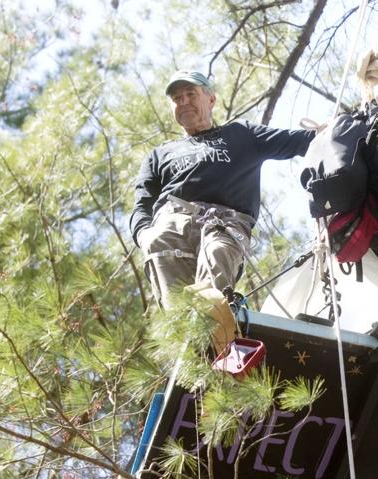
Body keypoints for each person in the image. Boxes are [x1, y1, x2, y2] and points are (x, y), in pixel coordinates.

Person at [130, 70, 314, 309]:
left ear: (211, 99)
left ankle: (213, 320)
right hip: (170, 223)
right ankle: (184, 327)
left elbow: (299, 141)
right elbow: (142, 203)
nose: (183, 102)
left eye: (190, 94)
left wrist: (338, 129)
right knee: (176, 304)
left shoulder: (240, 135)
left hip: (224, 222)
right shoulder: (159, 154)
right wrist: (144, 234)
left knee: (217, 257)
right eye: (177, 98)